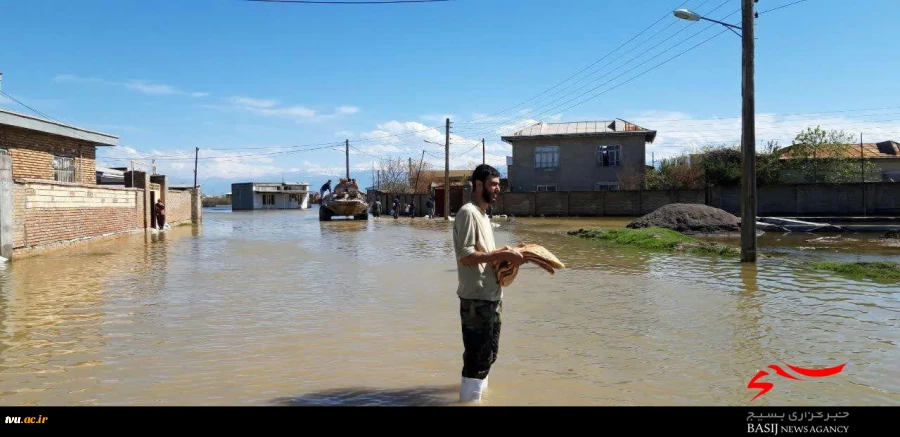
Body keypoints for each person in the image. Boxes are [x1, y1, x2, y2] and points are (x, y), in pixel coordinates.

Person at [452, 164, 526, 403]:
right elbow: (465, 255)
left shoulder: (483, 215)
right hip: (476, 300)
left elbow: (486, 255)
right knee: (476, 359)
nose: (497, 189)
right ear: (479, 185)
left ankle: (480, 398)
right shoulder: (468, 213)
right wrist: (502, 255)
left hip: (492, 297)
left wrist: (511, 255)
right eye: (493, 184)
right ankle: (469, 401)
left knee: (489, 355)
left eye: (498, 185)